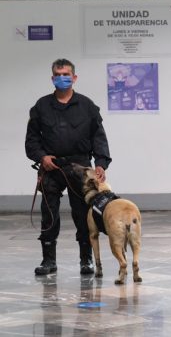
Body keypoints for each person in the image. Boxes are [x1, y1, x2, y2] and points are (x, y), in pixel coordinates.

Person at [25, 58, 112, 276]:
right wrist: (42, 157)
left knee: (83, 214)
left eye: (66, 74)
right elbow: (32, 140)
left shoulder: (87, 106)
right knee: (49, 214)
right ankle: (48, 261)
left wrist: (100, 163)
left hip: (80, 167)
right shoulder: (41, 106)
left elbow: (99, 137)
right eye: (58, 74)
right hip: (51, 167)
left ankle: (86, 260)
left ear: (74, 78)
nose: (62, 78)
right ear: (52, 78)